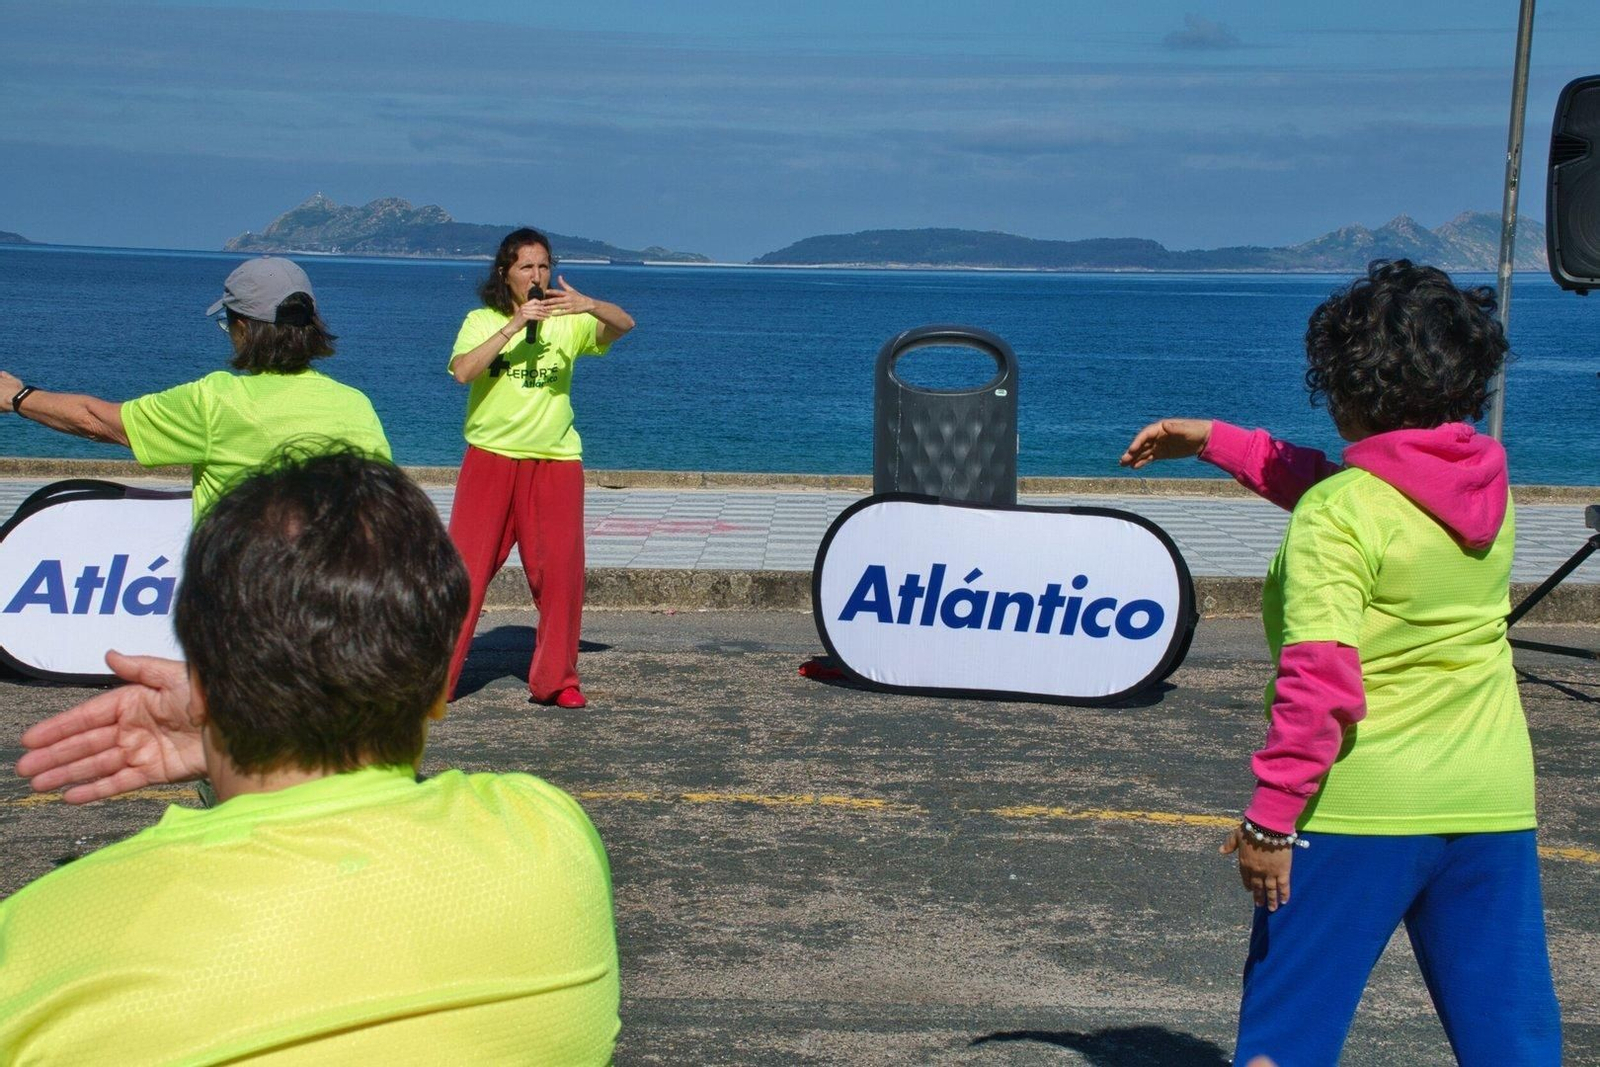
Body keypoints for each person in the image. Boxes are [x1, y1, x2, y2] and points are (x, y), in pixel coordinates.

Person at [2, 451, 620, 1064]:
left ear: (199, 657)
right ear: (438, 690)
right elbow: (383, 819)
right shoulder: (551, 840)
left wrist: (230, 731)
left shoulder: (44, 943)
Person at [1120, 260, 1561, 1066]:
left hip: (1360, 806)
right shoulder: (1488, 490)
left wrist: (1269, 818)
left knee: (1287, 1040)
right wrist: (1218, 440)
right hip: (1491, 798)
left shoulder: (1340, 514)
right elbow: (1356, 487)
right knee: (1512, 1041)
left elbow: (1320, 679)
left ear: (1348, 382)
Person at [0, 257, 389, 515]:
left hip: (244, 598)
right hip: (339, 601)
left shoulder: (218, 401)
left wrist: (18, 397)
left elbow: (96, 420)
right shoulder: (356, 405)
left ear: (242, 328)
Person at [445, 228, 635, 708]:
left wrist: (588, 304)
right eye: (527, 267)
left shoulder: (568, 321)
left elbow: (624, 324)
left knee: (560, 576)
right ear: (505, 273)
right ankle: (435, 682)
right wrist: (512, 326)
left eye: (544, 266)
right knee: (463, 573)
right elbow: (463, 371)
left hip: (554, 460)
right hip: (490, 458)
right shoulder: (480, 319)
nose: (537, 275)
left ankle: (556, 681)